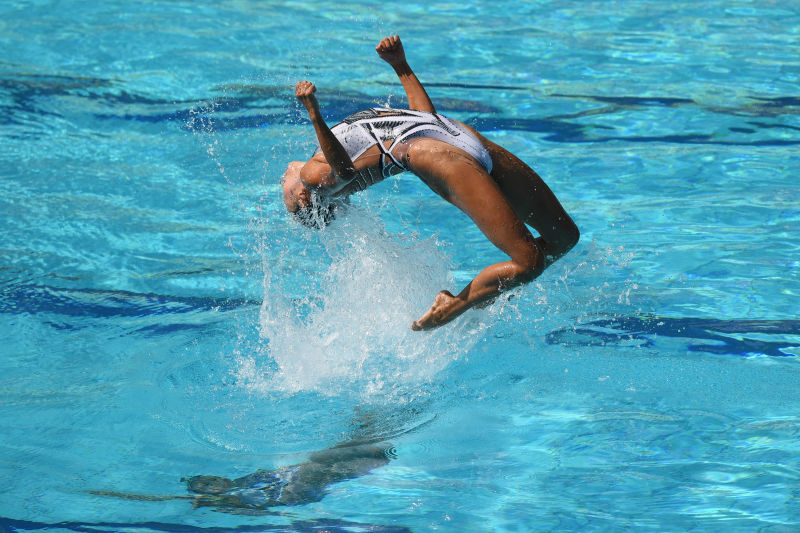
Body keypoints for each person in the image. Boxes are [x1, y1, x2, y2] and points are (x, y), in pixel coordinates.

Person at [282, 35, 579, 331]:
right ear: (304, 198)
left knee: (564, 236)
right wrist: (314, 113)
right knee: (528, 262)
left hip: (456, 136)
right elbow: (345, 172)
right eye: (284, 188)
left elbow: (422, 118)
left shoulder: (322, 153)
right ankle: (454, 305)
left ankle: (484, 292)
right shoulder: (314, 179)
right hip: (437, 156)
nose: (283, 177)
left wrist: (401, 66)